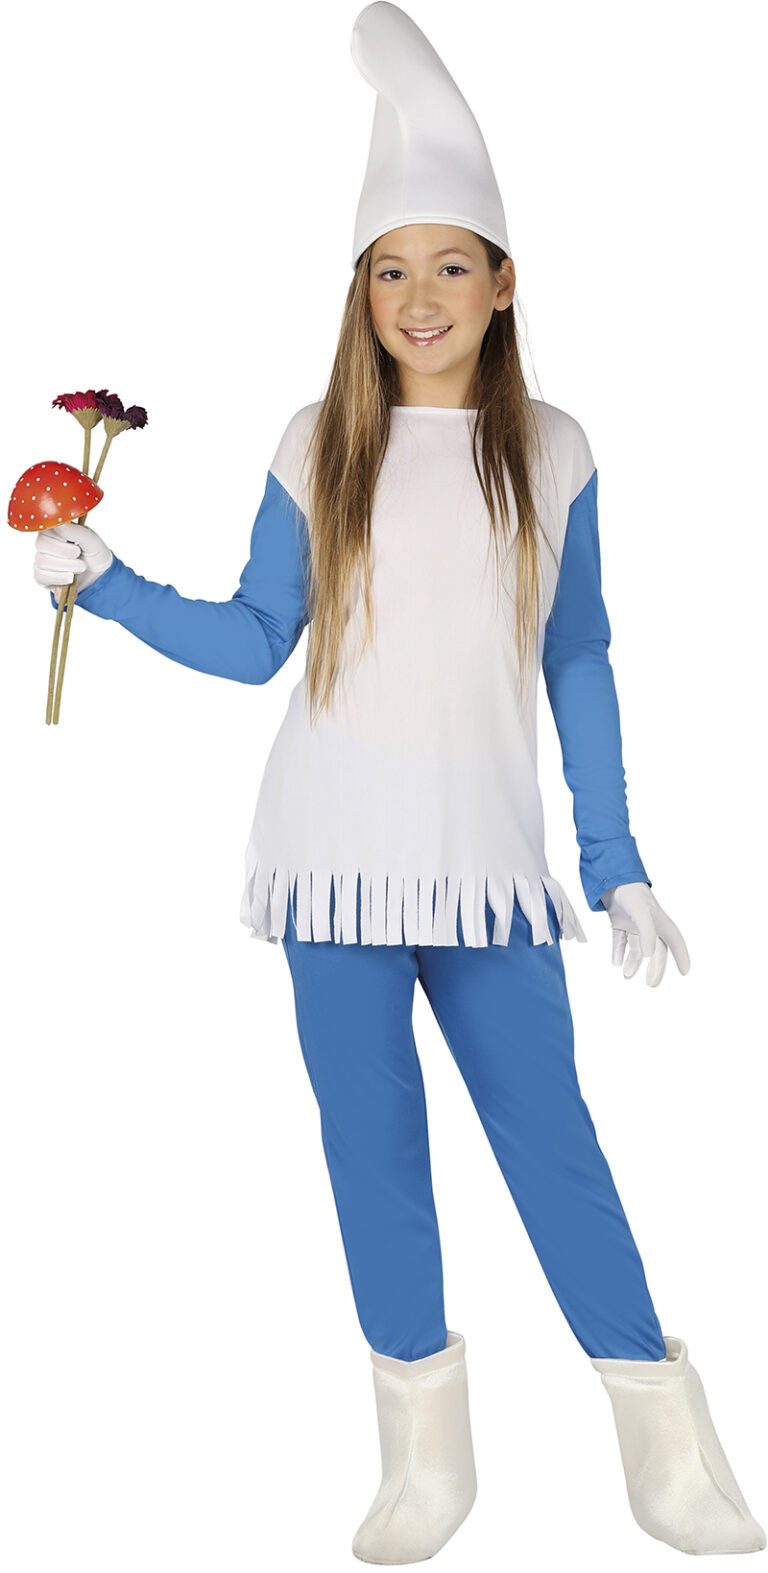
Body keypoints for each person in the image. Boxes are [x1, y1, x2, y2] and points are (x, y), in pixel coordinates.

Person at [33, 1, 765, 1562]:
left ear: (504, 283)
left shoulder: (555, 451)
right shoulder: (317, 444)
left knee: (552, 1143)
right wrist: (109, 582)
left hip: (488, 869)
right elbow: (256, 641)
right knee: (374, 1157)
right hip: (333, 862)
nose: (419, 299)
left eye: (449, 266)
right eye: (389, 270)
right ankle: (427, 1458)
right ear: (357, 291)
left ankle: (667, 1438)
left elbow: (580, 657)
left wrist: (618, 856)